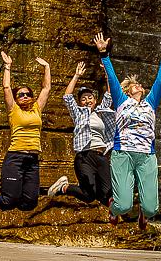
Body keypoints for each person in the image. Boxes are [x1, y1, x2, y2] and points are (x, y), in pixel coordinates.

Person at [95, 32, 161, 229]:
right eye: (134, 85)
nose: (139, 86)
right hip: (123, 154)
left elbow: (160, 82)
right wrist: (104, 54)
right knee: (123, 206)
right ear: (127, 91)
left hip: (147, 156)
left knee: (151, 209)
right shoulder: (121, 101)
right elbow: (112, 78)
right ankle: (113, 209)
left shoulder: (150, 103)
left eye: (140, 85)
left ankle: (144, 215)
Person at [0, 50, 52, 211]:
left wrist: (47, 67)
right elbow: (6, 87)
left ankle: (8, 191)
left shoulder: (37, 109)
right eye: (21, 95)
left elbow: (46, 88)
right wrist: (7, 66)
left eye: (28, 94)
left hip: (33, 160)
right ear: (16, 99)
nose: (25, 96)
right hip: (15, 157)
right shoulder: (13, 110)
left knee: (30, 203)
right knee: (8, 202)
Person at [46, 61, 115, 205]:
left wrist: (107, 73)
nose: (87, 100)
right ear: (80, 102)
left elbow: (109, 94)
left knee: (106, 195)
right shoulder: (78, 113)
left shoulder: (101, 112)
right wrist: (76, 75)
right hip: (84, 157)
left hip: (101, 156)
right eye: (83, 98)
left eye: (90, 97)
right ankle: (64, 187)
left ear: (95, 100)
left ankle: (116, 212)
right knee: (88, 196)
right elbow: (67, 97)